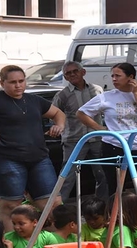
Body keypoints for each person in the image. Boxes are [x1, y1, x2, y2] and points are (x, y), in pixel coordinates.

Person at [0, 65, 66, 232]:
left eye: (21, 81)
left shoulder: (33, 100)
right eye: (13, 82)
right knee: (10, 205)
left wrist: (59, 125)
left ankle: (50, 247)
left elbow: (58, 113)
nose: (18, 85)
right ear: (2, 83)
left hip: (39, 158)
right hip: (6, 159)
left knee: (53, 204)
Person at [76, 62, 137, 203]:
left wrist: (136, 93)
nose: (114, 79)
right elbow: (81, 113)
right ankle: (115, 220)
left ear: (131, 77)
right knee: (114, 188)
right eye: (112, 76)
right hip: (114, 146)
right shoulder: (107, 97)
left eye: (118, 76)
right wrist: (100, 129)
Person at [51, 61, 107, 201]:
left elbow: (105, 112)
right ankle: (57, 209)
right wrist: (59, 127)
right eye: (68, 73)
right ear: (65, 77)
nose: (72, 75)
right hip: (73, 140)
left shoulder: (97, 90)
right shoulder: (62, 95)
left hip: (97, 138)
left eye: (75, 71)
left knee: (103, 174)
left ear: (83, 72)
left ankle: (103, 208)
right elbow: (54, 115)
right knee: (67, 176)